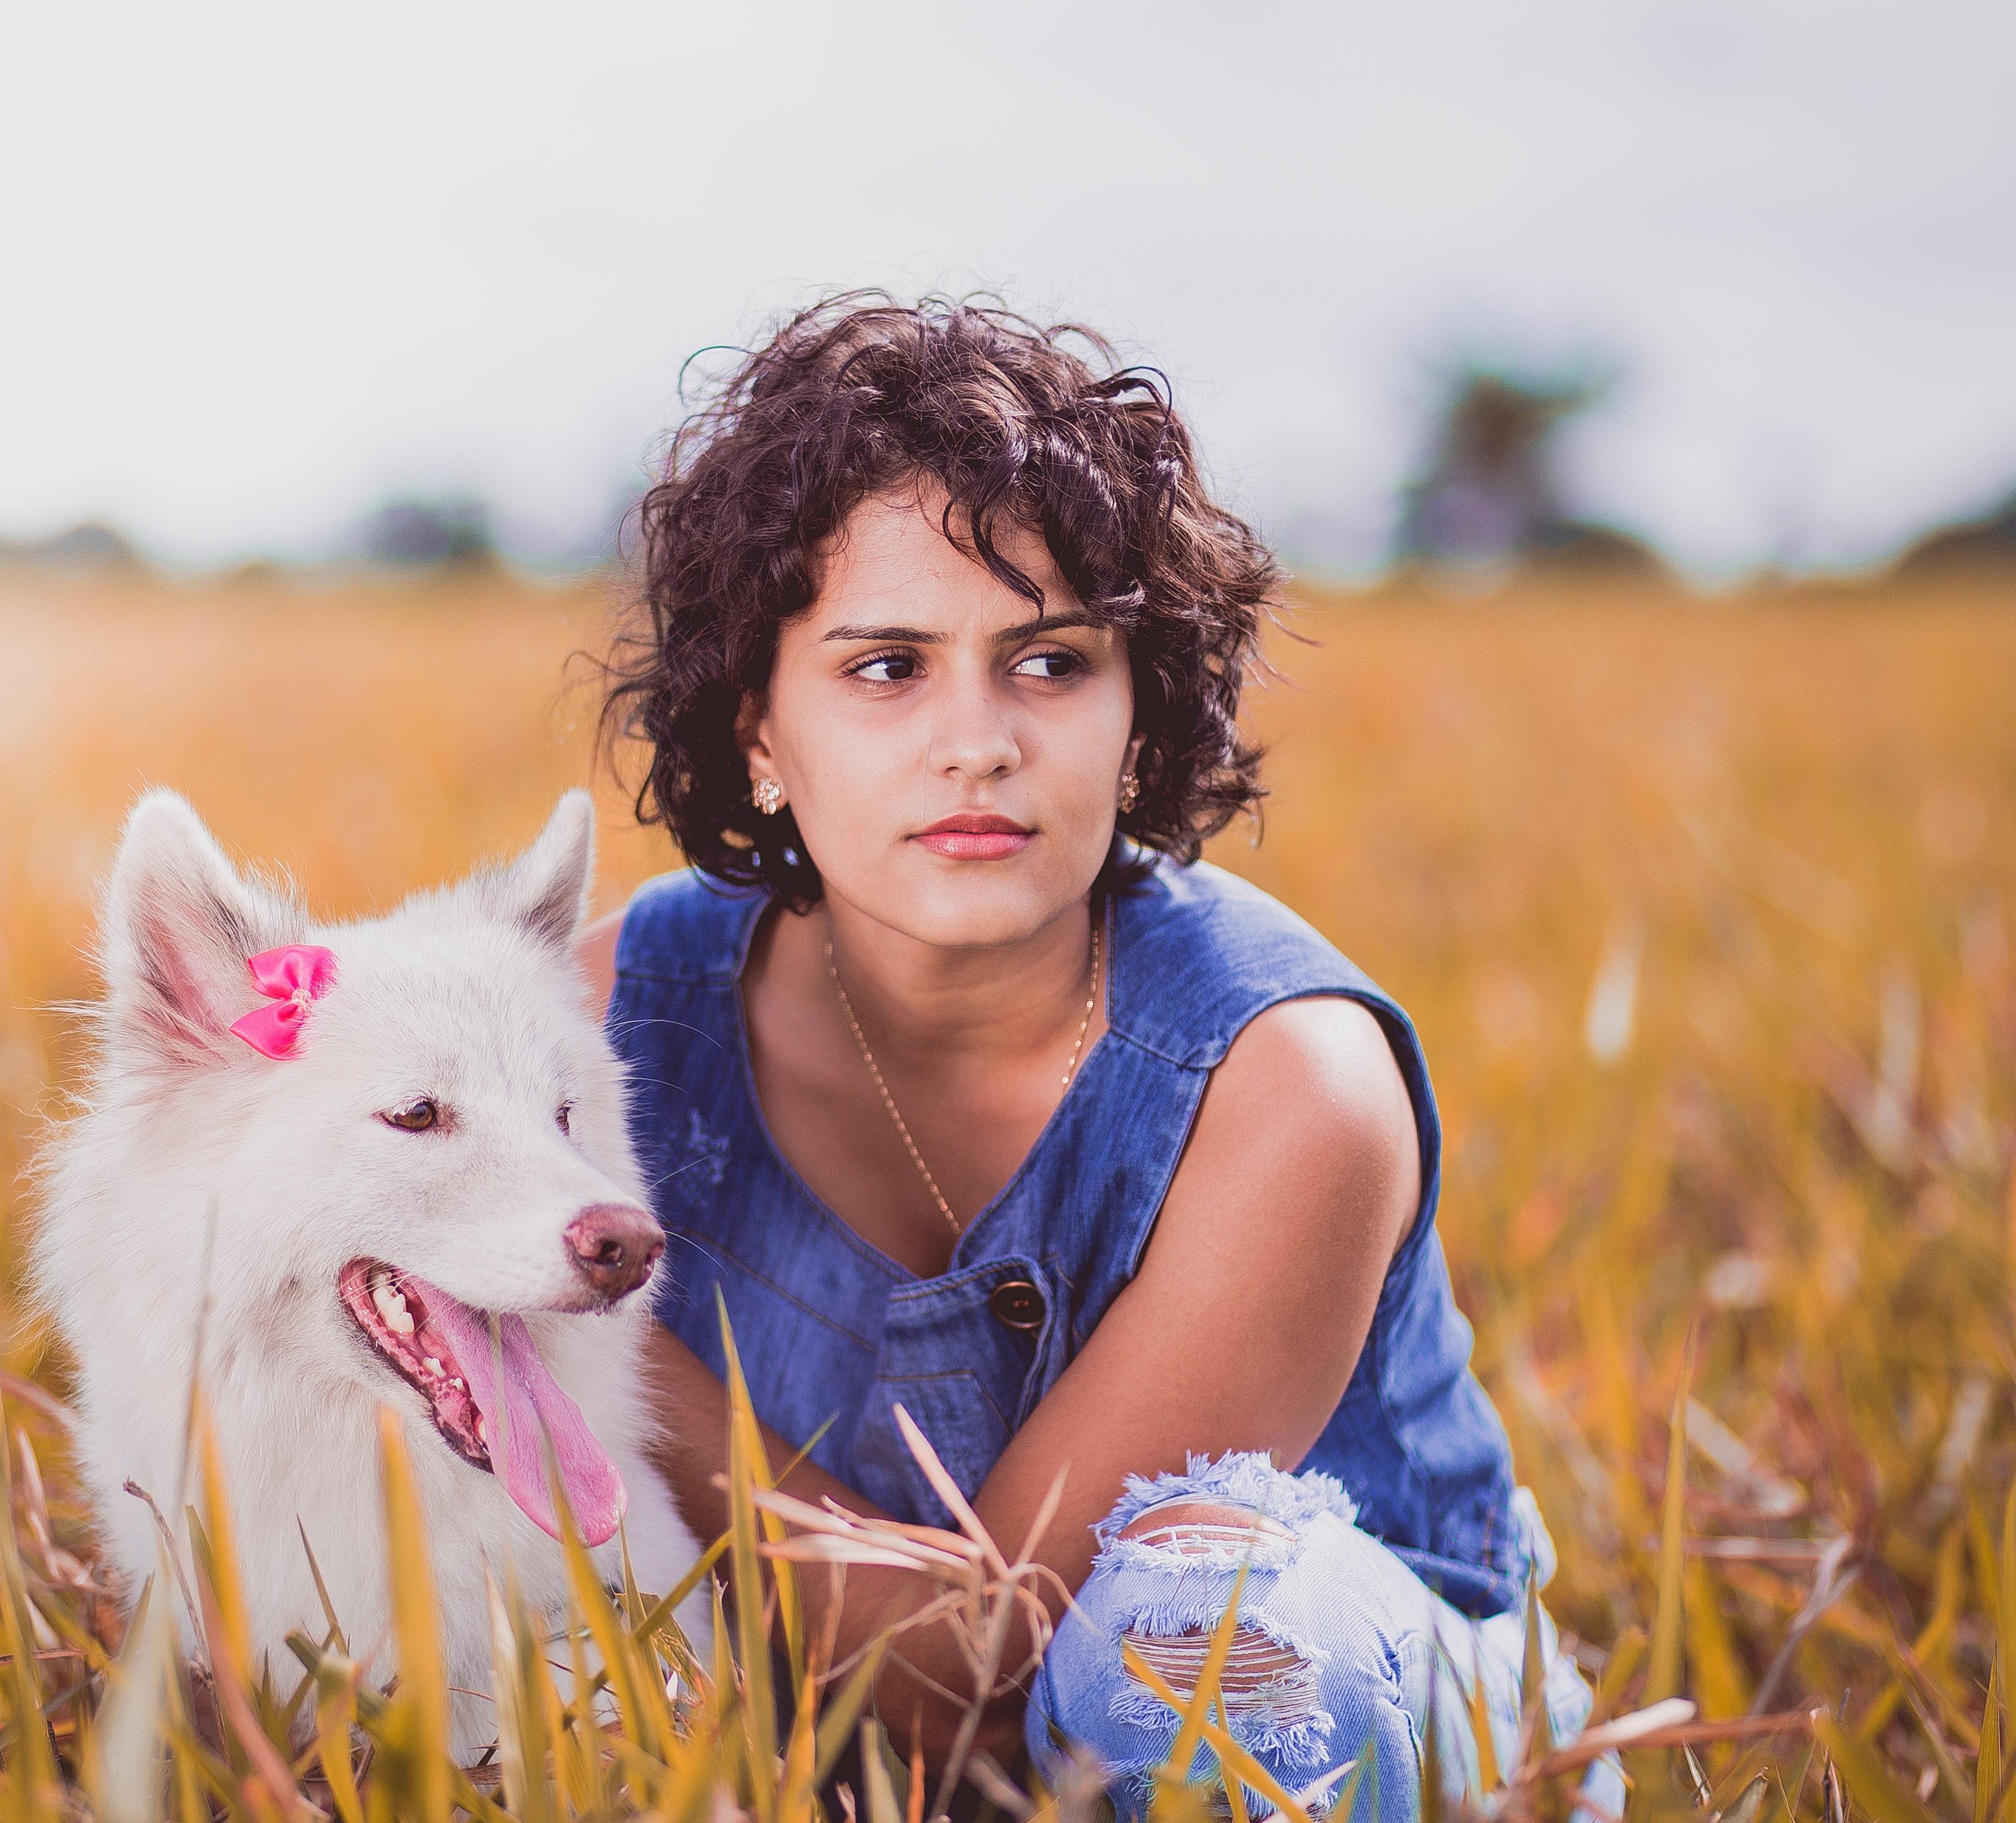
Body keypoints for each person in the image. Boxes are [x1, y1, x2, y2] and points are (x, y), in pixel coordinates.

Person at [577, 295, 1618, 1821]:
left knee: (1195, 1633)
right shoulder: (594, 1025)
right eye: (884, 669)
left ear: (1138, 721)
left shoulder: (1290, 1093)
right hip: (826, 1724)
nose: (977, 742)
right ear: (757, 734)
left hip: (1332, 1708)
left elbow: (981, 1663)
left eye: (1050, 663)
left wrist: (575, 1361)